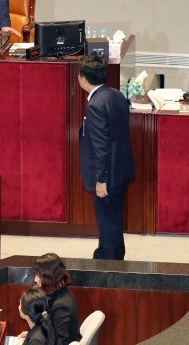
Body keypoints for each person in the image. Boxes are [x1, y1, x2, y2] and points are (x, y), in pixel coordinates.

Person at [78, 54, 135, 260]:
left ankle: (112, 265)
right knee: (110, 219)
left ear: (83, 78)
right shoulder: (116, 95)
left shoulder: (95, 105)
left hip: (107, 176)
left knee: (108, 221)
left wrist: (101, 179)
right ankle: (102, 255)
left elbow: (101, 147)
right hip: (121, 170)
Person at [33, 253, 82, 344]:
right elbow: (52, 331)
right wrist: (33, 335)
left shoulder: (61, 306)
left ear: (48, 278)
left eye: (38, 276)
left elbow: (61, 342)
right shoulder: (61, 293)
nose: (35, 279)